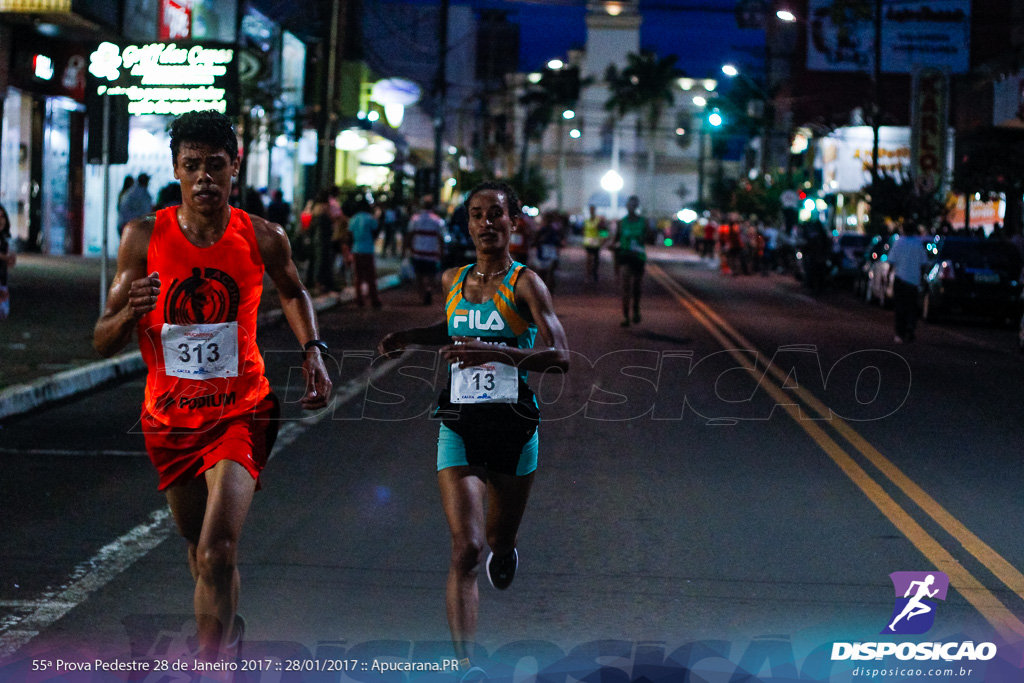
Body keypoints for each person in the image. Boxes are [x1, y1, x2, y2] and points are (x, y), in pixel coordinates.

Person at [92, 110, 332, 663]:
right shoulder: (143, 237)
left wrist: (312, 349)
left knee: (219, 549)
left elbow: (293, 293)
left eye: (215, 166)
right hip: (169, 420)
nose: (204, 178)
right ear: (175, 169)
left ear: (234, 170)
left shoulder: (262, 236)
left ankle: (213, 667)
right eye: (192, 166)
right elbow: (101, 341)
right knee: (200, 555)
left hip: (240, 412)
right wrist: (129, 314)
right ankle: (223, 635)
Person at [377, 181, 569, 676]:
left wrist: (499, 353)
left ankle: (507, 550)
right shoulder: (452, 280)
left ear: (514, 222)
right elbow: (453, 327)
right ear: (467, 224)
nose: (487, 223)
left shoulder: (528, 284)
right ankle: (463, 665)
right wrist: (410, 337)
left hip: (515, 425)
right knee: (467, 547)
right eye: (477, 215)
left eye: (496, 214)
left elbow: (561, 357)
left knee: (499, 541)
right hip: (460, 422)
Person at [611, 195, 648, 327]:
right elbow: (616, 239)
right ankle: (625, 316)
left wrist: (643, 238)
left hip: (638, 257)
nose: (631, 207)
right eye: (629, 204)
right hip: (625, 256)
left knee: (636, 288)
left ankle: (636, 310)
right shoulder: (622, 222)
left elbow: (649, 238)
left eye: (634, 204)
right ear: (626, 206)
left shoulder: (643, 222)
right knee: (626, 287)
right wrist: (612, 246)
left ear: (637, 206)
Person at [888, 221, 928, 343]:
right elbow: (923, 264)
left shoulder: (899, 242)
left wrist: (888, 275)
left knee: (900, 307)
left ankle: (900, 333)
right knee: (911, 307)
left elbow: (892, 261)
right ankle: (910, 330)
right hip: (913, 280)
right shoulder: (918, 243)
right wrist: (921, 279)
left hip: (900, 278)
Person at [405, 195, 446, 305]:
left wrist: (406, 249)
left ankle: (422, 294)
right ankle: (429, 289)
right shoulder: (438, 221)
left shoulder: (415, 219)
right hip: (432, 253)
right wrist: (441, 252)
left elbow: (410, 235)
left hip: (418, 251)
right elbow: (441, 238)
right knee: (431, 275)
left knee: (419, 275)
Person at [347, 198, 382, 308]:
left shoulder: (353, 219)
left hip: (356, 249)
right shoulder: (370, 218)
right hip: (368, 249)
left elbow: (350, 234)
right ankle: (374, 300)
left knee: (358, 276)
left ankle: (359, 300)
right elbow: (376, 229)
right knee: (370, 276)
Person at [581, 205, 607, 284]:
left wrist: (603, 238)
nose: (591, 211)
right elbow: (583, 230)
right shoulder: (586, 220)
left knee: (596, 259)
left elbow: (603, 230)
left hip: (596, 242)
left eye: (593, 209)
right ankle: (588, 275)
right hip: (588, 242)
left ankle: (595, 273)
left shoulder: (598, 220)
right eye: (590, 209)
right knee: (589, 259)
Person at [0, 203, 15, 320]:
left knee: (4, 313)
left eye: (2, 217)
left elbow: (11, 259)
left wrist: (10, 259)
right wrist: (5, 257)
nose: (1, 221)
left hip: (2, 279)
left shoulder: (5, 238)